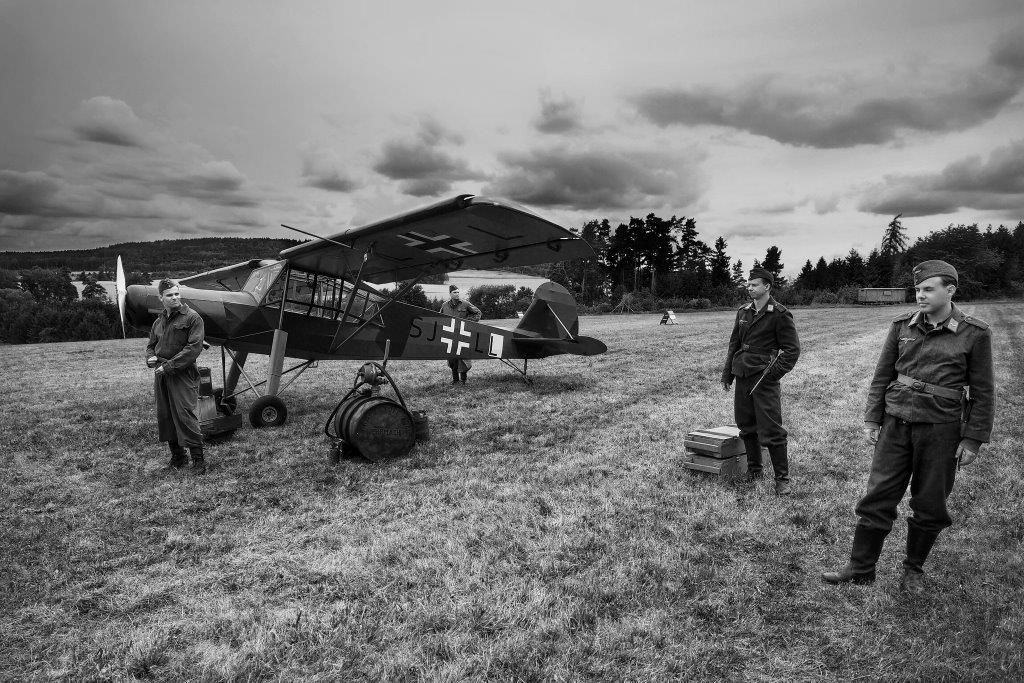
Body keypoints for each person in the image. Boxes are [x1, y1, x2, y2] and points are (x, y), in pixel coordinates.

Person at [822, 260, 993, 591]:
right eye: (917, 289)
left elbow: (984, 392)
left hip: (941, 429)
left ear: (950, 290)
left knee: (929, 503)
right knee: (878, 495)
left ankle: (913, 570)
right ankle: (861, 568)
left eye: (928, 289)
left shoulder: (975, 333)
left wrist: (973, 439)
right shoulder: (902, 326)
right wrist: (873, 418)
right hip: (896, 423)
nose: (920, 295)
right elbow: (882, 375)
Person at [721, 266, 801, 495]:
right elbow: (734, 344)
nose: (749, 288)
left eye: (754, 284)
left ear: (767, 286)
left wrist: (772, 375)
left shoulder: (780, 314)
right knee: (746, 426)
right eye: (748, 284)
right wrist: (728, 374)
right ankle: (754, 471)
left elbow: (792, 350)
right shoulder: (743, 312)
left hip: (764, 378)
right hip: (743, 375)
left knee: (772, 429)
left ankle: (782, 479)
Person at [146, 279, 207, 472]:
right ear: (161, 298)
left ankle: (198, 461)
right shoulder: (158, 322)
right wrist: (149, 358)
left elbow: (194, 348)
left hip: (182, 373)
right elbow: (151, 346)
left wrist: (169, 366)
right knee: (165, 415)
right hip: (161, 374)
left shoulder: (193, 318)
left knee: (185, 414)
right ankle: (178, 457)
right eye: (169, 295)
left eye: (176, 294)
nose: (174, 298)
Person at [439, 285, 482, 385]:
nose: (457, 294)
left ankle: (463, 380)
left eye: (458, 292)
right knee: (452, 359)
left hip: (462, 335)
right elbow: (439, 317)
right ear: (450, 294)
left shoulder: (465, 304)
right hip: (450, 336)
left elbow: (478, 313)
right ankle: (455, 380)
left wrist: (467, 322)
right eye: (454, 292)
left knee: (463, 358)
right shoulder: (444, 305)